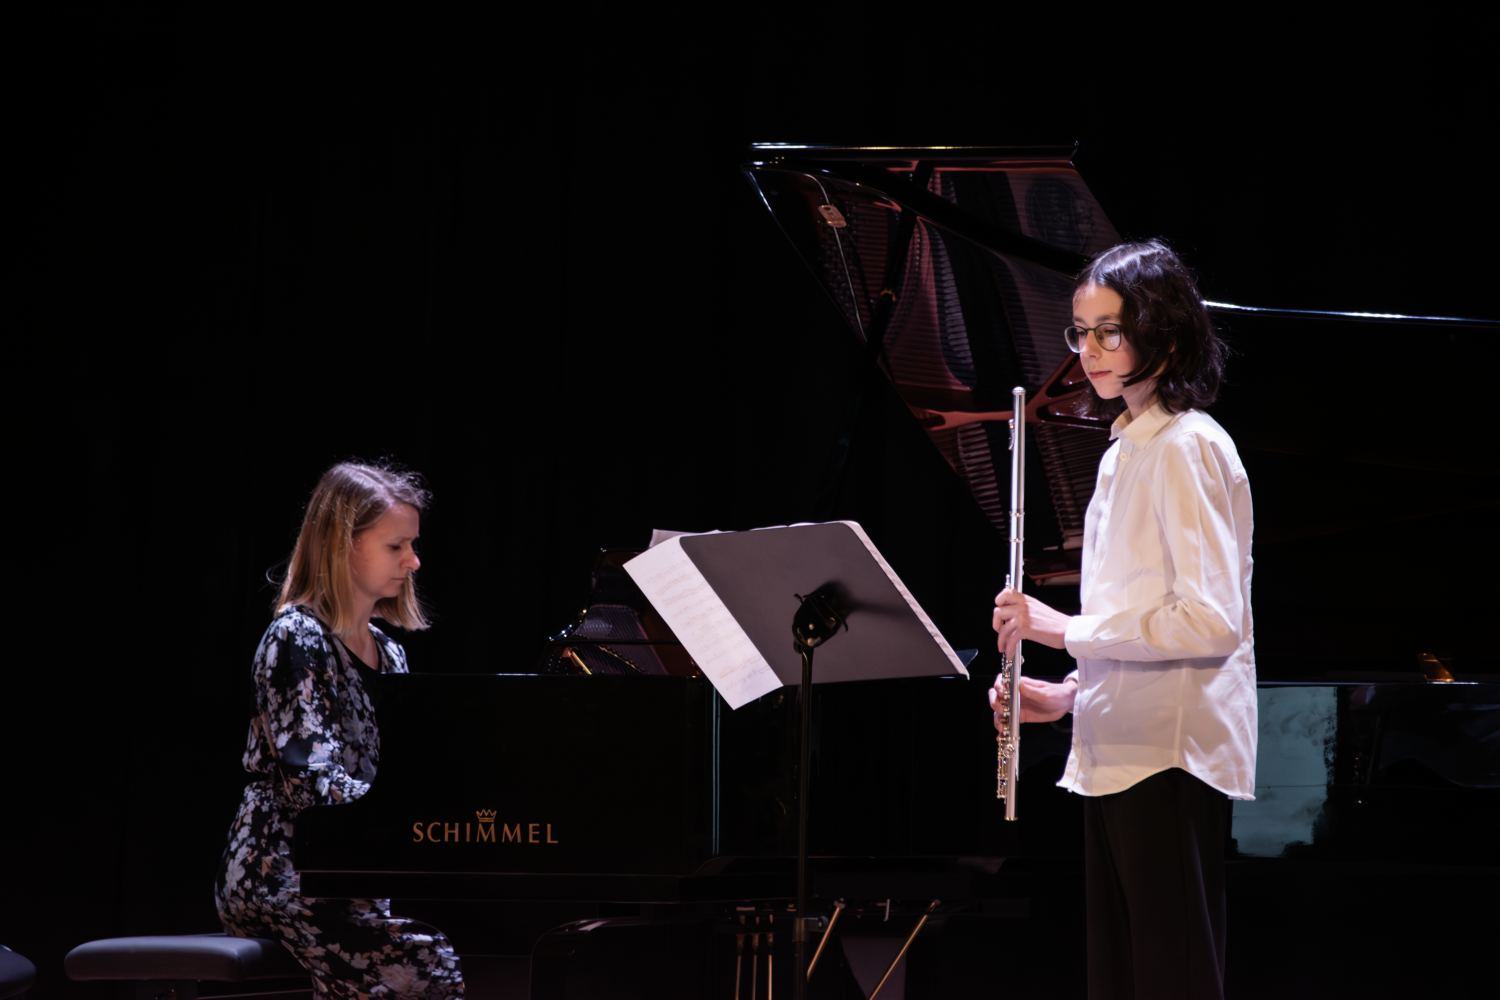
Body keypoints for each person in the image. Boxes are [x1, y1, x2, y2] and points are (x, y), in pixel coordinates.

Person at [990, 241, 1255, 999]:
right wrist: (1072, 694)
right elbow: (1137, 615)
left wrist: (1060, 629)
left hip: (1165, 756)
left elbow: (1208, 622)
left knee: (1169, 981)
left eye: (1111, 331)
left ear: (1162, 333)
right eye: (1082, 332)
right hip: (1118, 749)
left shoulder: (1187, 447)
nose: (1090, 351)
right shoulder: (1124, 451)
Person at [215, 462, 464, 999]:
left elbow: (402, 772)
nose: (413, 561)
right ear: (342, 544)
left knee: (436, 947)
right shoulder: (296, 636)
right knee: (423, 962)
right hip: (279, 871)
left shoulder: (391, 653)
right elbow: (310, 781)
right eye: (396, 546)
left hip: (351, 874)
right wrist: (398, 821)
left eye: (412, 545)